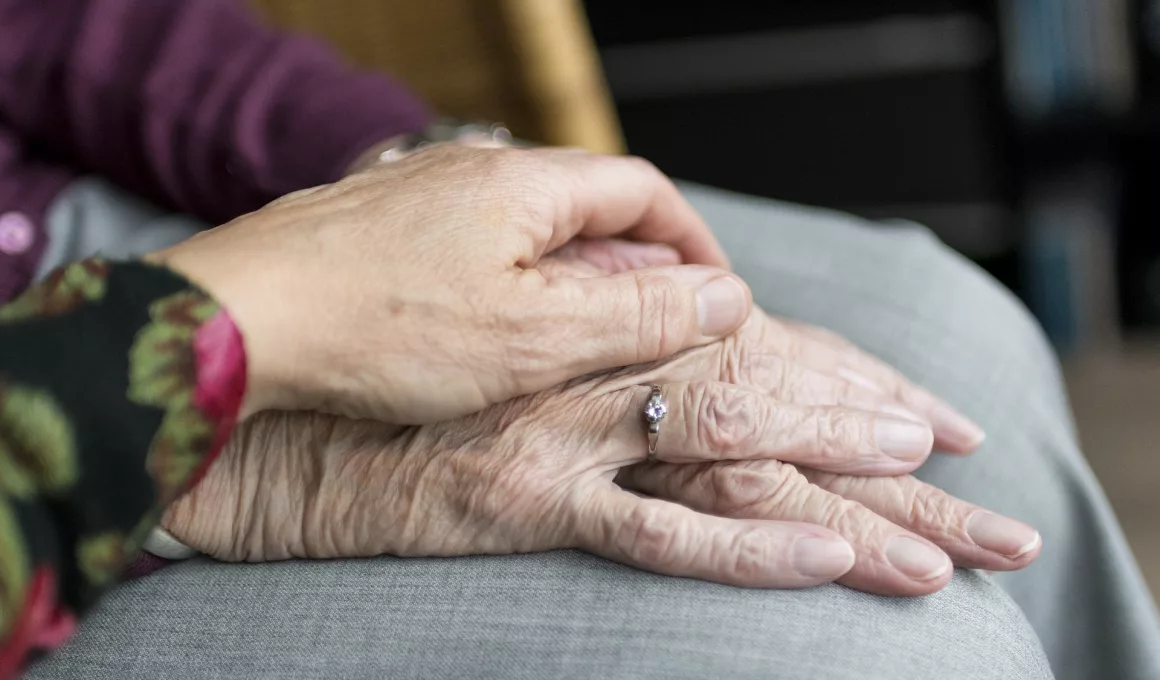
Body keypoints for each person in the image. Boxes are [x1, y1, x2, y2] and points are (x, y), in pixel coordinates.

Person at [0, 2, 1157, 680]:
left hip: (90, 220)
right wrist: (239, 441)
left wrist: (408, 180)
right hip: (43, 495)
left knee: (944, 337)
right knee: (883, 644)